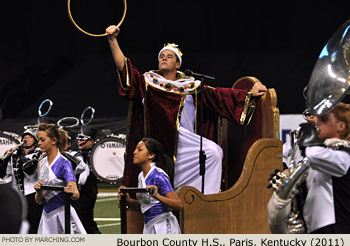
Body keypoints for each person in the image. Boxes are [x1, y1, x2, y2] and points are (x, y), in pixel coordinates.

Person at [106, 25, 267, 194]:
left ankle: (207, 199)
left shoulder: (190, 87)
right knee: (160, 185)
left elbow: (221, 96)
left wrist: (248, 93)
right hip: (161, 145)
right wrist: (112, 40)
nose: (164, 58)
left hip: (187, 143)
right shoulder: (148, 83)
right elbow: (124, 69)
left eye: (169, 56)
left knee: (214, 153)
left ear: (178, 64)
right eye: (161, 56)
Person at [268, 103, 350, 233]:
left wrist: (309, 134)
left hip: (337, 230)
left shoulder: (344, 155)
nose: (317, 122)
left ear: (341, 126)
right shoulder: (323, 153)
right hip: (315, 228)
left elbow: (313, 155)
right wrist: (285, 182)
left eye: (324, 119)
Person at [119, 138, 183, 234]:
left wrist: (157, 196)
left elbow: (179, 205)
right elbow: (148, 205)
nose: (134, 152)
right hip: (148, 226)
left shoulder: (158, 176)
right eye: (135, 149)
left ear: (151, 155)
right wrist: (130, 201)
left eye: (139, 150)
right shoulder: (141, 176)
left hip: (163, 226)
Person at [34, 123, 86, 234]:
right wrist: (39, 192)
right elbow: (39, 201)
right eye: (39, 140)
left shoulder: (64, 163)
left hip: (63, 214)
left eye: (42, 140)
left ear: (53, 141)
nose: (39, 143)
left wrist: (71, 191)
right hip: (46, 216)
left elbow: (76, 195)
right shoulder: (40, 163)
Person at [0, 127, 43, 234]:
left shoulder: (39, 154)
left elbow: (30, 173)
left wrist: (21, 155)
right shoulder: (14, 155)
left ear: (35, 141)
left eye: (29, 137)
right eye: (24, 137)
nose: (26, 139)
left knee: (34, 226)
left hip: (33, 195)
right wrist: (4, 161)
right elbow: (4, 176)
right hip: (19, 196)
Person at [76, 126, 101, 234]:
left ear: (91, 142)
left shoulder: (95, 154)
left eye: (82, 139)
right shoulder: (78, 154)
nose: (79, 141)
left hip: (88, 192)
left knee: (87, 222)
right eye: (78, 138)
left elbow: (83, 178)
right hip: (80, 192)